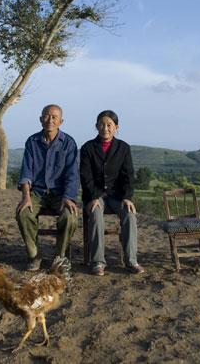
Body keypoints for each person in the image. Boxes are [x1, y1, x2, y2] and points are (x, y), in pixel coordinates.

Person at [80, 110, 144, 275]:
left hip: (117, 196)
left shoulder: (123, 148)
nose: (105, 128)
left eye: (109, 125)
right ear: (96, 126)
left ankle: (131, 261)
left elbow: (128, 176)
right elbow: (86, 177)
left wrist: (128, 198)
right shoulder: (87, 148)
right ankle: (98, 262)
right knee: (95, 214)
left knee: (129, 215)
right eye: (101, 124)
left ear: (116, 128)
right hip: (95, 195)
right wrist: (93, 197)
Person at [16, 104, 80, 271]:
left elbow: (72, 174)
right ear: (40, 119)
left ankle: (59, 257)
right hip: (37, 193)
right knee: (23, 213)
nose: (50, 120)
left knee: (70, 216)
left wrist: (68, 197)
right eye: (46, 116)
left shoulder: (68, 143)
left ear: (61, 121)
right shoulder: (32, 142)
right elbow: (26, 172)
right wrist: (26, 197)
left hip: (60, 194)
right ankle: (34, 255)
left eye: (54, 117)